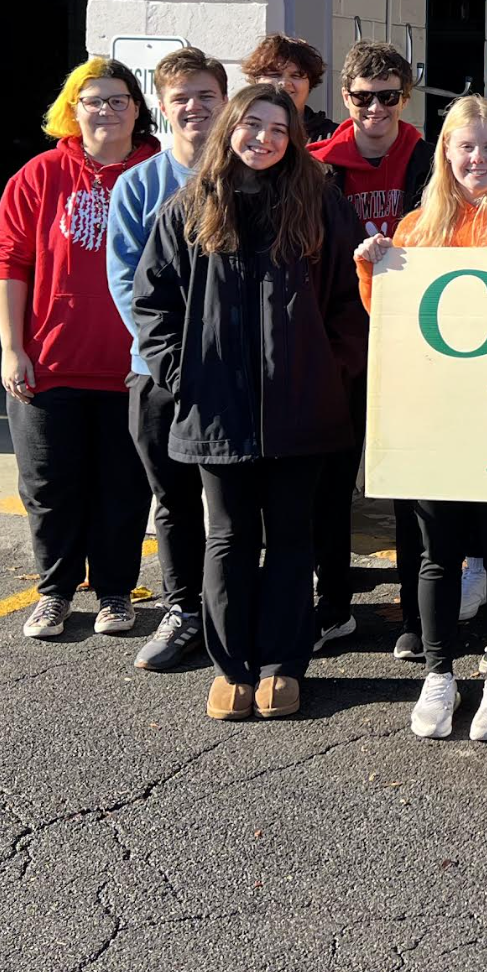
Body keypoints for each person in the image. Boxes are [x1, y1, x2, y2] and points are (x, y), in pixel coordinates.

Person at [135, 84, 368, 722]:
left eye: (278, 128)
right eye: (252, 124)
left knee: (294, 538)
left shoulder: (321, 204)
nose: (263, 138)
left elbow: (354, 299)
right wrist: (182, 375)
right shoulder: (189, 208)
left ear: (293, 139)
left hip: (304, 408)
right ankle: (232, 666)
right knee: (229, 539)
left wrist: (333, 369)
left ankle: (285, 665)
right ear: (230, 128)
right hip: (216, 408)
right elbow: (151, 303)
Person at [354, 96, 487, 742]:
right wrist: (372, 269)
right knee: (438, 556)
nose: (478, 159)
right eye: (465, 147)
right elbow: (389, 324)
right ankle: (440, 674)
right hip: (433, 419)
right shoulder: (416, 229)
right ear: (445, 153)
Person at [0, 58, 160, 641]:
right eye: (94, 100)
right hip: (51, 364)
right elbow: (9, 263)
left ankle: (115, 592)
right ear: (73, 108)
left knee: (123, 486)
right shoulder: (38, 176)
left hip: (134, 367)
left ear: (137, 109)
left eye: (119, 100)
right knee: (49, 486)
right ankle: (56, 593)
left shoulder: (159, 174)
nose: (106, 110)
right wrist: (13, 349)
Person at [309, 40, 437, 659]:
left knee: (409, 485)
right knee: (331, 485)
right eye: (364, 97)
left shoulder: (432, 159)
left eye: (389, 97)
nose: (376, 108)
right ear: (346, 98)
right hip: (342, 348)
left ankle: (416, 612)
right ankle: (332, 605)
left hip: (411, 350)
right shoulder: (314, 165)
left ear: (404, 98)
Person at [105, 46, 228, 673]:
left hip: (236, 375)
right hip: (159, 374)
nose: (194, 107)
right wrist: (175, 363)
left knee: (236, 504)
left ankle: (234, 609)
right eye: (181, 97)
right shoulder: (138, 187)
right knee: (174, 499)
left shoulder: (249, 177)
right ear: (161, 106)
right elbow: (127, 285)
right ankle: (183, 610)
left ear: (224, 101)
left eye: (206, 95)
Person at [242, 31, 338, 144]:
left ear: (310, 83)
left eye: (296, 76)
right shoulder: (238, 131)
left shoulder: (334, 138)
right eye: (275, 74)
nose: (284, 83)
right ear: (256, 80)